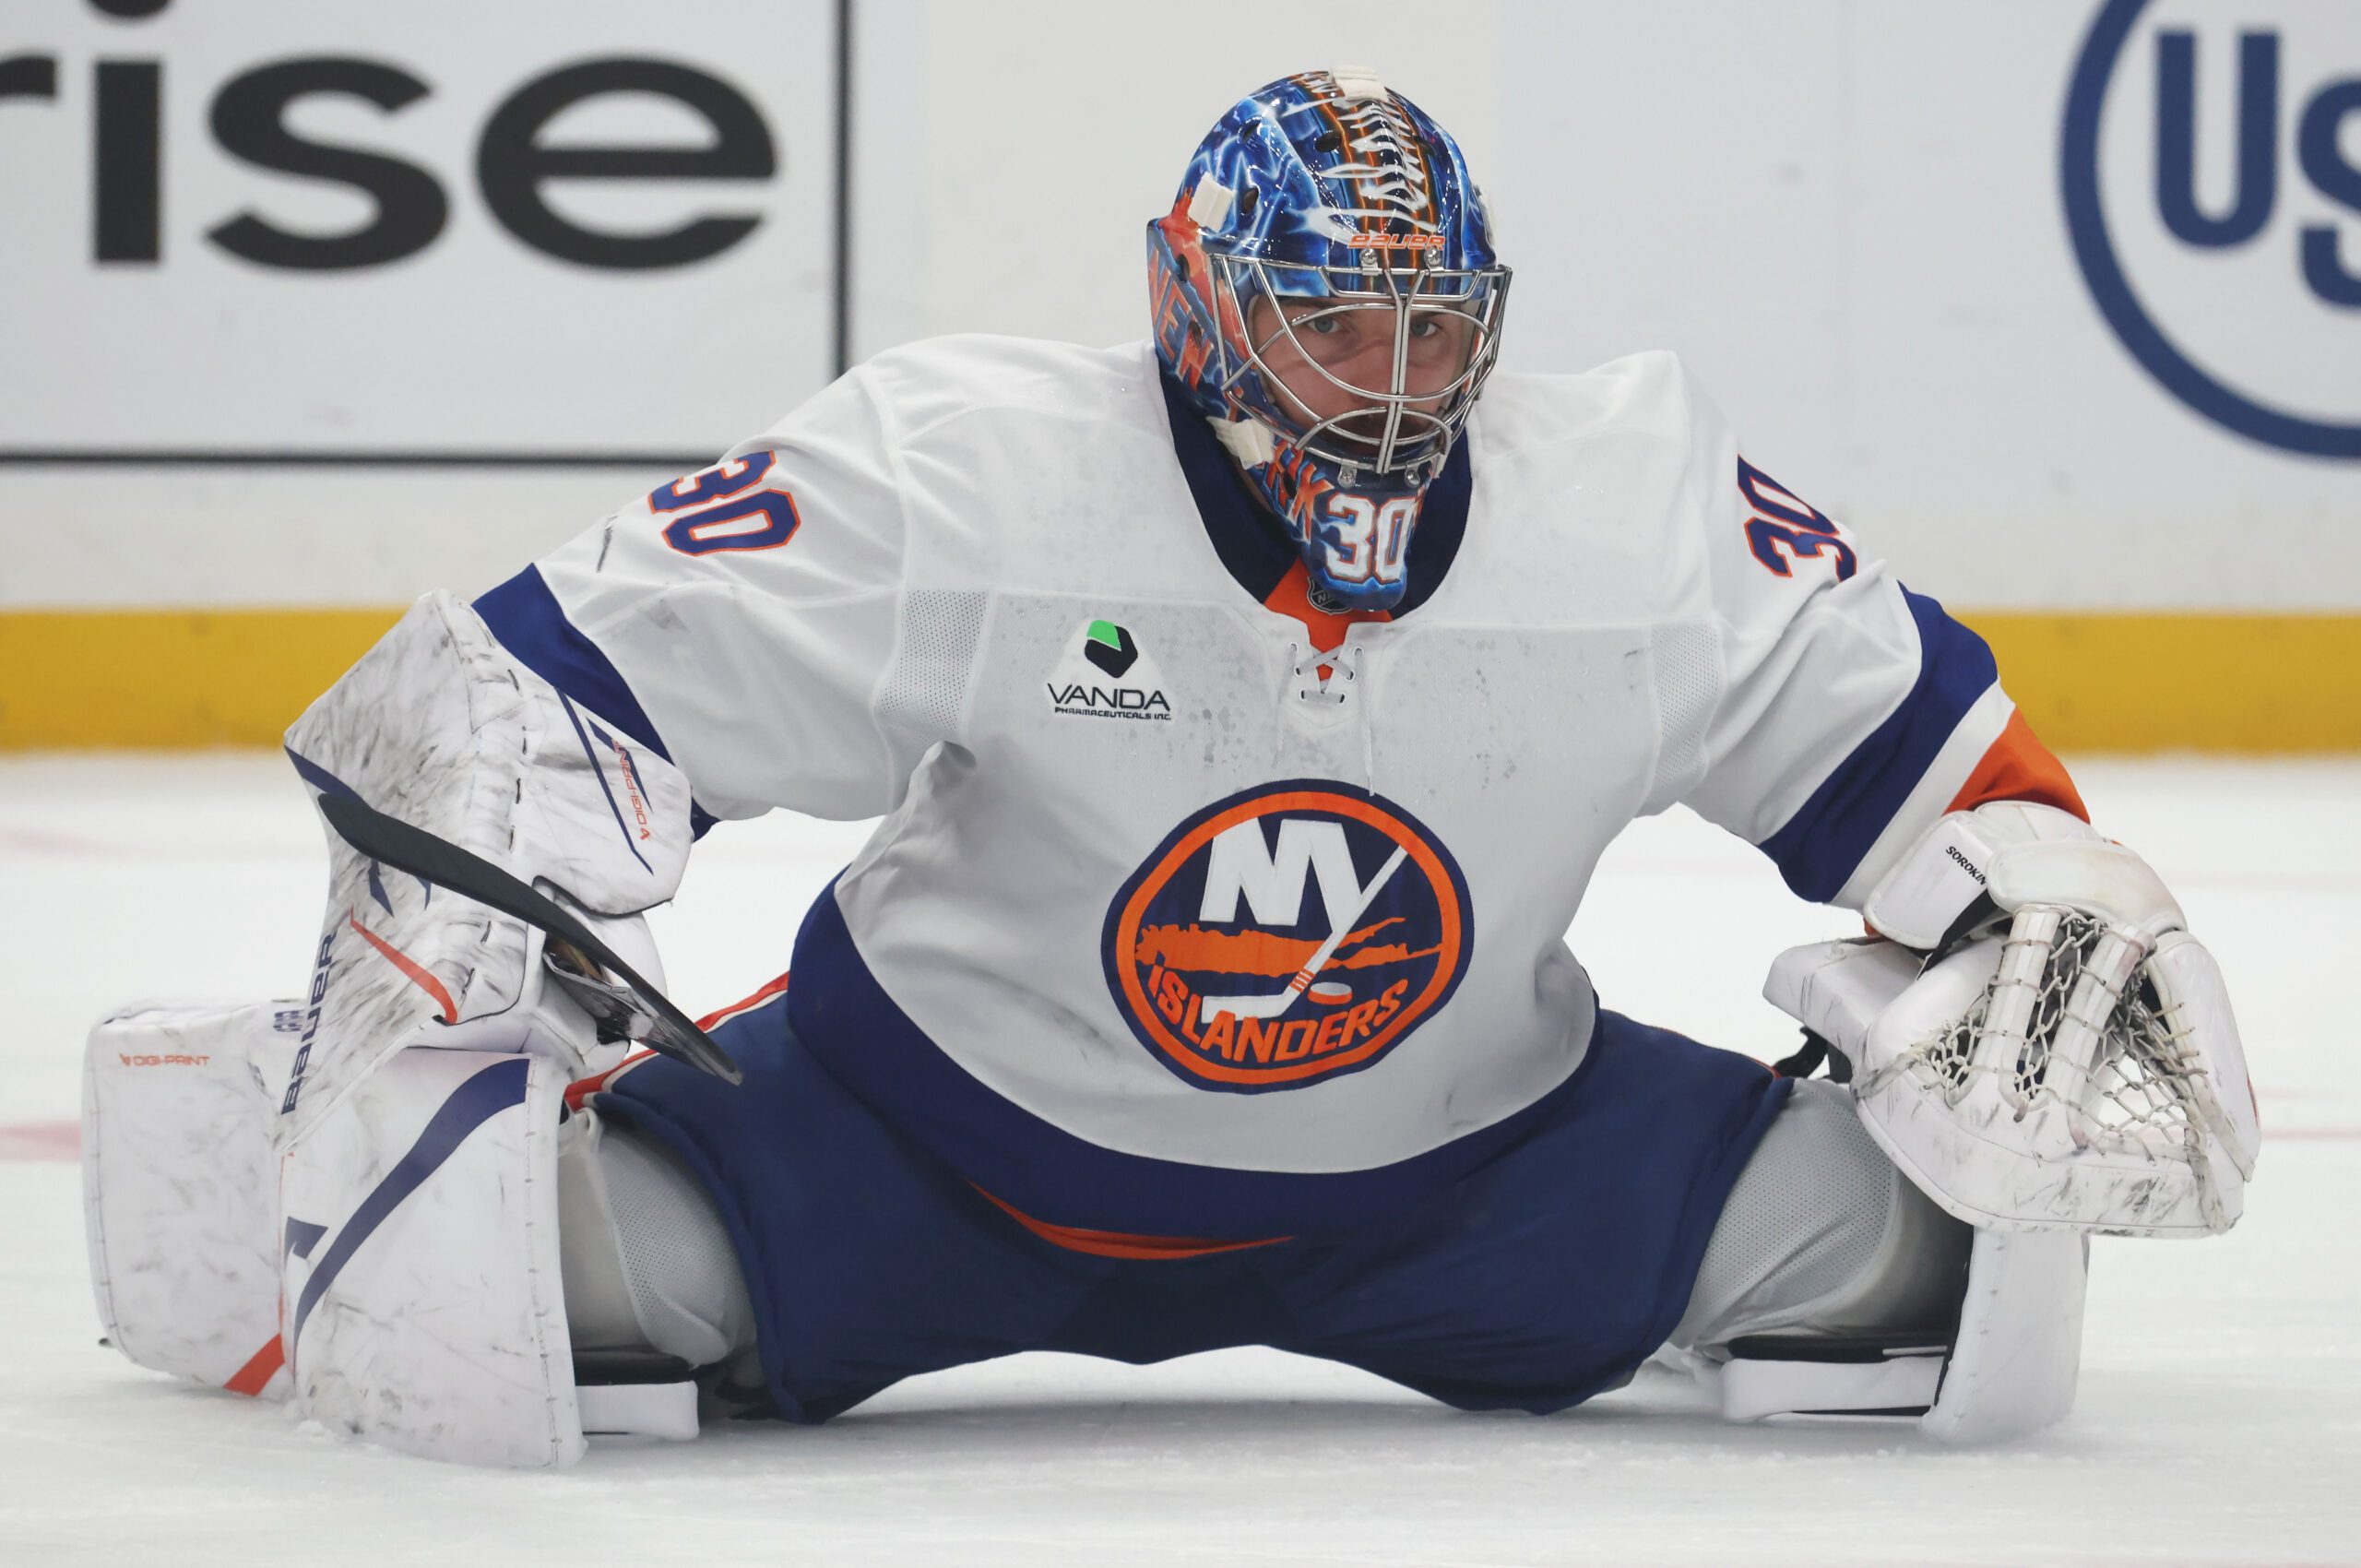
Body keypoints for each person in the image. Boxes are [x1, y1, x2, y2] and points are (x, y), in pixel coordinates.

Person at [88, 68, 2256, 1465]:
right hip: (907, 1157)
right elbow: (501, 689)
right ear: (1193, 304)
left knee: (1931, 1254)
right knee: (470, 1268)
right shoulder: (970, 475)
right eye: (1332, 320)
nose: (1391, 384)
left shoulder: (1635, 509)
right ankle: (258, 1124)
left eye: (1433, 324)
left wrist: (2031, 907)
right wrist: (462, 925)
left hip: (1489, 1182)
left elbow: (1961, 781)